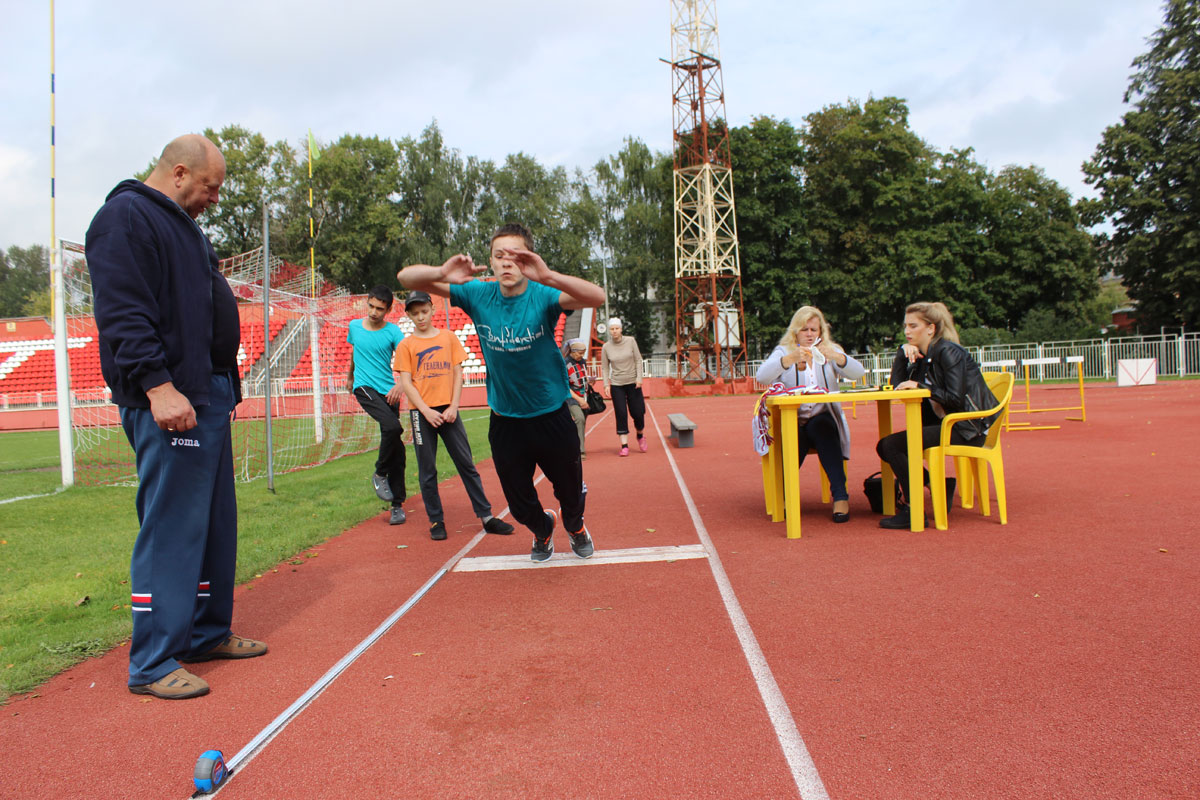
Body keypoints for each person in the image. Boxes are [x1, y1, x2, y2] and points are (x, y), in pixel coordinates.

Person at [85, 134, 266, 700]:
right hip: (168, 396)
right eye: (211, 188)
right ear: (181, 172)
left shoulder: (183, 225)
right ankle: (154, 661)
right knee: (172, 528)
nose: (215, 199)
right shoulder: (125, 217)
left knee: (213, 524)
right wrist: (158, 385)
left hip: (206, 393)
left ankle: (206, 632)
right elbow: (123, 310)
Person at [397, 222, 606, 562]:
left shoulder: (544, 294)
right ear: (491, 262)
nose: (507, 263)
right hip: (506, 419)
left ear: (527, 259)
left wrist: (548, 275)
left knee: (570, 492)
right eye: (499, 256)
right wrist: (441, 271)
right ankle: (542, 529)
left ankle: (576, 526)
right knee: (520, 505)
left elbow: (597, 296)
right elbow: (406, 278)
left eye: (515, 256)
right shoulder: (478, 293)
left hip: (552, 414)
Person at [394, 289, 515, 541]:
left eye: (424, 311)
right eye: (415, 314)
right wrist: (425, 411)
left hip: (448, 411)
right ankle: (436, 520)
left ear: (432, 310)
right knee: (427, 471)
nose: (421, 317)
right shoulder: (406, 345)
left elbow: (458, 373)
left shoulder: (448, 338)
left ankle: (486, 516)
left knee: (466, 464)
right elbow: (406, 382)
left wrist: (453, 406)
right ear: (408, 315)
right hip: (421, 414)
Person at [876, 301, 1000, 529]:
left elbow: (955, 397)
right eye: (905, 326)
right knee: (885, 445)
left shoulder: (949, 352)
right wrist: (902, 354)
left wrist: (922, 387)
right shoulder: (924, 356)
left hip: (966, 428)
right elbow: (897, 387)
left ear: (931, 328)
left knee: (893, 446)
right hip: (947, 424)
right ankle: (937, 484)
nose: (906, 331)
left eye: (913, 326)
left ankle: (914, 510)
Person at [756, 306, 866, 523]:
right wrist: (788, 360)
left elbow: (859, 373)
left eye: (813, 329)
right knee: (794, 437)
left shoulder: (829, 349)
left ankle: (840, 497)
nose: (809, 334)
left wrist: (837, 357)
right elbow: (762, 377)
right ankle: (784, 495)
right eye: (804, 329)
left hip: (821, 416)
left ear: (821, 332)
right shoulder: (783, 350)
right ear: (795, 331)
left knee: (822, 427)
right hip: (791, 419)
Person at [346, 286, 408, 525]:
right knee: (393, 428)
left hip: (389, 392)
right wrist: (350, 376)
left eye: (379, 309)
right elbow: (354, 352)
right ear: (367, 303)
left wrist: (401, 384)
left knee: (397, 449)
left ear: (388, 310)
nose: (374, 312)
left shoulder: (393, 332)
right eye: (371, 306)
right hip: (364, 387)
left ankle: (397, 505)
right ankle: (380, 473)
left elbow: (406, 359)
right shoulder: (354, 326)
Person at [600, 317, 646, 456]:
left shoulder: (631, 341)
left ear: (621, 329)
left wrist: (639, 378)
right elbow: (605, 367)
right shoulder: (606, 347)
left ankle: (640, 435)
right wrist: (606, 384)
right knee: (620, 413)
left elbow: (638, 360)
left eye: (617, 328)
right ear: (609, 331)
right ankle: (624, 445)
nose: (614, 331)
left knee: (638, 412)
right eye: (612, 329)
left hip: (633, 383)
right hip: (617, 384)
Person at [563, 338, 590, 460]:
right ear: (573, 351)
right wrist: (579, 400)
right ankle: (580, 451)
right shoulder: (564, 364)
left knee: (581, 422)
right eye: (580, 353)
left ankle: (574, 446)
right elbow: (565, 386)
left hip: (584, 395)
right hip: (571, 398)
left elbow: (582, 376)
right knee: (579, 418)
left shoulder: (583, 362)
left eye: (583, 353)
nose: (582, 355)